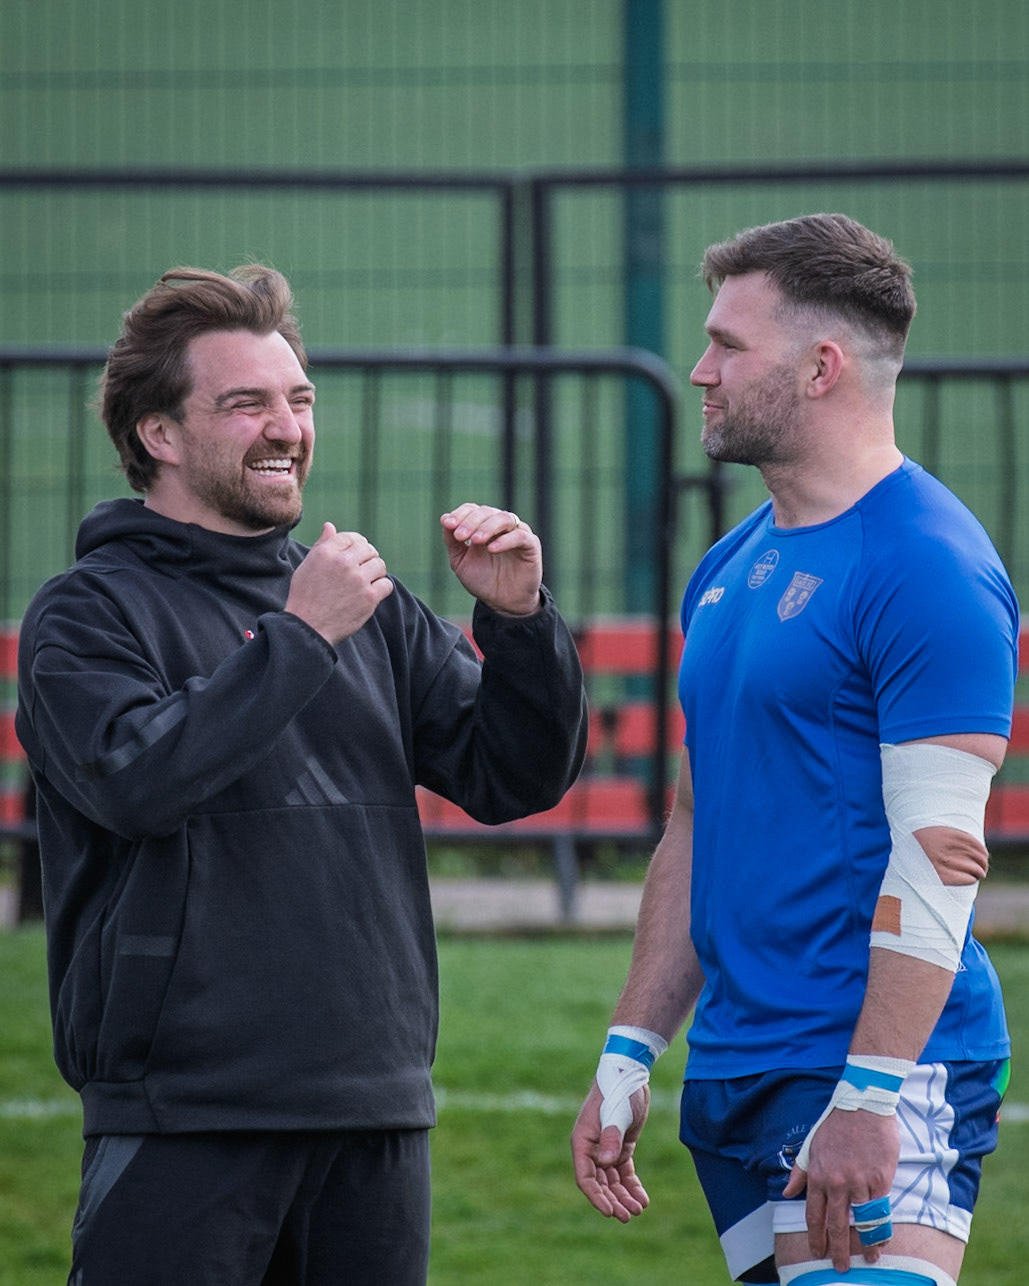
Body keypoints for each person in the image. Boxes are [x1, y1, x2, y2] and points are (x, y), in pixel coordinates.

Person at [16, 264, 588, 1286]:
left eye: (299, 399)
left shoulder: (359, 596)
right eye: (246, 404)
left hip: (374, 1104)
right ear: (159, 433)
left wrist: (520, 621)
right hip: (187, 1112)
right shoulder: (88, 613)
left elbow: (513, 777)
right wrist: (300, 637)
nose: (286, 427)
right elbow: (134, 781)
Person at [571, 214, 1016, 1286]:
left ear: (822, 367)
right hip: (739, 1069)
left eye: (729, 344)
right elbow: (697, 817)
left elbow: (940, 854)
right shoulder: (731, 562)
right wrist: (633, 1044)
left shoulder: (928, 566)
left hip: (875, 1067)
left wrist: (869, 1093)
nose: (698, 370)